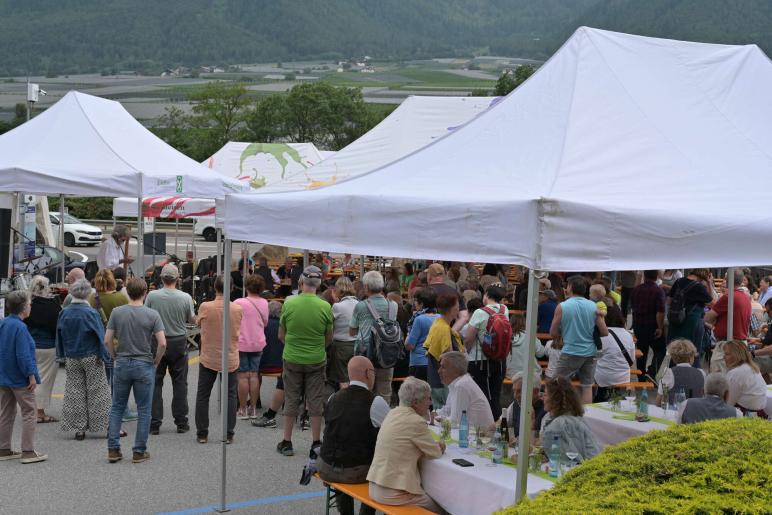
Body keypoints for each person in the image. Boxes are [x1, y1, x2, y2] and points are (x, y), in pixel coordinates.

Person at [105, 278, 167, 463]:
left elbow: (107, 340)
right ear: (145, 292)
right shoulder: (152, 314)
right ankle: (139, 451)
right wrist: (155, 360)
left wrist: (115, 355)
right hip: (144, 363)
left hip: (122, 362)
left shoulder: (117, 312)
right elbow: (162, 343)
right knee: (144, 409)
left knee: (117, 407)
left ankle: (113, 449)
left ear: (127, 292)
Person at [318, 356, 390, 515]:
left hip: (325, 466)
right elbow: (393, 433)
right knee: (380, 468)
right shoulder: (375, 401)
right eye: (373, 372)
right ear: (368, 373)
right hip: (355, 471)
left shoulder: (333, 397)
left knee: (346, 450)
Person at [277, 266, 333, 457]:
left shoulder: (289, 303)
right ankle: (316, 442)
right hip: (316, 358)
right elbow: (329, 337)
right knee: (315, 399)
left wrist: (292, 345)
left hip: (292, 356)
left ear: (301, 282)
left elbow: (281, 334)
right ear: (319, 284)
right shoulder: (325, 306)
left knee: (291, 398)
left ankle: (287, 441)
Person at [367, 377, 444, 513]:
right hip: (394, 493)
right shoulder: (415, 421)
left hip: (375, 485)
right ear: (416, 403)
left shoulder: (392, 413)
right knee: (443, 509)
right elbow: (435, 452)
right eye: (427, 398)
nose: (430, 402)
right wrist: (442, 444)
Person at [56, 278, 112, 440]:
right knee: (98, 391)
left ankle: (79, 429)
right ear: (88, 294)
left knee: (75, 391)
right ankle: (104, 425)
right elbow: (100, 336)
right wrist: (106, 356)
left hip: (71, 356)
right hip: (91, 356)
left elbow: (59, 335)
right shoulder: (91, 313)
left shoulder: (63, 313)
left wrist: (61, 354)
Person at [146, 264, 196, 434]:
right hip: (178, 341)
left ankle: (155, 423)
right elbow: (191, 319)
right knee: (180, 382)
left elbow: (146, 316)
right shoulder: (186, 297)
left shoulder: (152, 296)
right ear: (177, 279)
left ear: (161, 278)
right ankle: (181, 421)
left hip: (156, 340)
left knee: (155, 382)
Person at [0, 291, 47, 464]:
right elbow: (23, 355)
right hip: (19, 377)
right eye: (29, 304)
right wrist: (31, 375)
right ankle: (28, 450)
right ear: (24, 307)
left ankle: (3, 448)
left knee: (6, 412)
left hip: (4, 375)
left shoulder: (3, 323)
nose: (30, 307)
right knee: (29, 411)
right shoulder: (20, 327)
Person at [195, 275, 243, 444]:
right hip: (230, 355)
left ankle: (202, 433)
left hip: (209, 355)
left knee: (203, 395)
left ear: (214, 288)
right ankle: (228, 433)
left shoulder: (205, 306)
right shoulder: (237, 308)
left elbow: (198, 324)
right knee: (230, 395)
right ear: (231, 288)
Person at [550, 276, 608, 403]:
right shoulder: (593, 306)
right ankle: (586, 417)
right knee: (587, 386)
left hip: (571, 350)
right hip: (590, 352)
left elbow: (553, 333)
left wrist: (563, 333)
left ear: (569, 287)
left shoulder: (562, 306)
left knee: (555, 383)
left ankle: (556, 413)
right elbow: (604, 332)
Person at [349, 271, 399, 402]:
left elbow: (352, 331)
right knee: (384, 391)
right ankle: (382, 420)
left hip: (365, 354)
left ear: (366, 287)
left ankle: (365, 419)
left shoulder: (360, 306)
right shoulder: (393, 305)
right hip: (387, 353)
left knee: (364, 390)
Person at [462, 284, 508, 419]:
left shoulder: (480, 312)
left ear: (486, 295)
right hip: (499, 359)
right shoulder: (505, 310)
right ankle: (497, 425)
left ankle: (484, 427)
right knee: (495, 395)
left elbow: (469, 337)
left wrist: (467, 350)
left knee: (481, 396)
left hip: (480, 361)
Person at [24, 275, 61, 424]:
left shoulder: (27, 304)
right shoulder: (53, 306)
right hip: (48, 347)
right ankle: (39, 413)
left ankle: (32, 409)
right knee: (44, 381)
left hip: (30, 345)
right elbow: (57, 328)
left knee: (32, 379)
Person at [540, 376, 601, 461]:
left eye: (545, 395)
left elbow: (565, 461)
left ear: (555, 400)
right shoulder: (577, 418)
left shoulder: (555, 427)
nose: (542, 398)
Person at [233, 274, 269, 420]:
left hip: (241, 343)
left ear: (246, 286)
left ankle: (242, 409)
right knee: (254, 375)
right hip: (258, 342)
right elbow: (265, 323)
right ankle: (253, 409)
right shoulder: (265, 303)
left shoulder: (238, 302)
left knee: (242, 377)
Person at [423, 293, 465, 408]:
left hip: (436, 378)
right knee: (445, 415)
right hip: (443, 382)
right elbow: (449, 358)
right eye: (457, 305)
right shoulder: (443, 328)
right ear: (452, 309)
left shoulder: (438, 323)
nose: (458, 308)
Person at [432, 351, 495, 429]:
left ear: (456, 371)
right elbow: (447, 410)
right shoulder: (457, 383)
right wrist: (431, 414)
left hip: (480, 437)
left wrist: (437, 420)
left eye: (443, 367)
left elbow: (455, 423)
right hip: (472, 434)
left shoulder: (461, 385)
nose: (439, 371)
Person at [667, 269, 714, 368]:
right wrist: (709, 284)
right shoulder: (699, 287)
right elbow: (712, 304)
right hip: (692, 323)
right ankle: (692, 379)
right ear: (705, 276)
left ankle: (673, 378)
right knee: (693, 353)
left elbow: (669, 301)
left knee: (675, 352)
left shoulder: (679, 281)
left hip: (675, 321)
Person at [252, 301, 285, 428]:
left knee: (256, 374)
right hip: (280, 365)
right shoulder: (283, 326)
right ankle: (284, 402)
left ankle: (257, 400)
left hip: (262, 365)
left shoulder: (262, 326)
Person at [630, 270, 666, 379]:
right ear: (656, 277)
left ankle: (641, 376)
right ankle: (652, 372)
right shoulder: (658, 291)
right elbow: (660, 312)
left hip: (638, 325)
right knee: (660, 350)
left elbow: (632, 306)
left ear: (644, 276)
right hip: (652, 326)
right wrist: (660, 327)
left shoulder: (636, 289)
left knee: (641, 351)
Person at [594, 306, 635, 397]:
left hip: (603, 378)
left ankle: (599, 398)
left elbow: (595, 358)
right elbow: (631, 360)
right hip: (623, 377)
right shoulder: (628, 335)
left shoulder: (601, 334)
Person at [722, 340, 768, 417]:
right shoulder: (751, 367)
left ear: (736, 356)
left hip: (746, 416)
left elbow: (728, 403)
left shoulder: (736, 373)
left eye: (727, 354)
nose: (723, 357)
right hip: (760, 414)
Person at [705, 269, 752, 341]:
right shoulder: (746, 297)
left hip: (728, 344)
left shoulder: (729, 297)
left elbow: (707, 318)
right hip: (739, 342)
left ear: (727, 279)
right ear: (741, 280)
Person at [655, 338, 705, 407]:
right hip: (696, 414)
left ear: (674, 358)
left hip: (674, 414)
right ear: (690, 357)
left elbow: (658, 402)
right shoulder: (701, 373)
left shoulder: (668, 373)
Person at [405, 289, 439, 382]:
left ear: (421, 303)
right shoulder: (441, 318)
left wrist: (408, 333)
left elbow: (409, 345)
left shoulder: (419, 319)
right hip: (436, 362)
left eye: (415, 301)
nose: (414, 303)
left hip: (419, 362)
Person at [330, 277, 359, 387]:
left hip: (341, 345)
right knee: (355, 377)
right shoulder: (359, 303)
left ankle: (344, 402)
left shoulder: (337, 306)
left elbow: (329, 325)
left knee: (343, 379)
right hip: (357, 343)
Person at [426, 263, 467, 330]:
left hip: (427, 337)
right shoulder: (454, 292)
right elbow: (464, 317)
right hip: (447, 336)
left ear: (429, 276)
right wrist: (450, 332)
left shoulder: (424, 292)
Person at [506, 371, 546, 440]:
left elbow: (541, 443)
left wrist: (532, 421)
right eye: (514, 391)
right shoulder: (516, 404)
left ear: (535, 391)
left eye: (519, 391)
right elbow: (500, 422)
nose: (515, 396)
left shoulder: (547, 409)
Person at [506, 313, 544, 381]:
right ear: (524, 323)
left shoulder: (506, 337)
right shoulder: (530, 336)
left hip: (511, 374)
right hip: (531, 374)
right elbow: (541, 354)